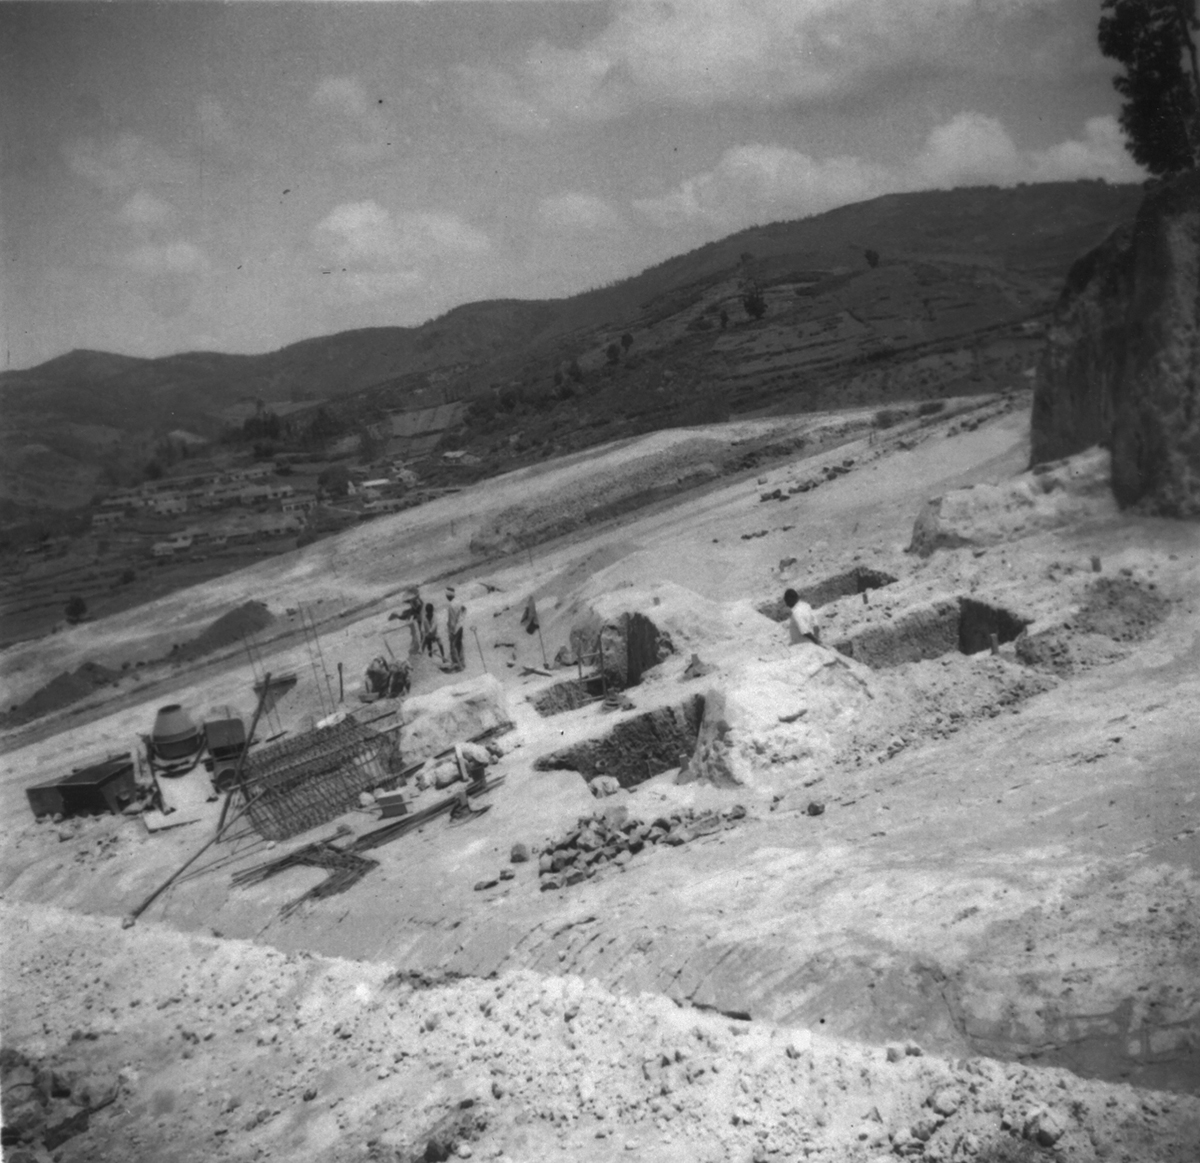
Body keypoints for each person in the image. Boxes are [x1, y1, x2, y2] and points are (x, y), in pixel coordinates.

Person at [446, 586, 466, 671]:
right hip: (461, 625)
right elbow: (464, 609)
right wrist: (461, 619)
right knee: (459, 644)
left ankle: (457, 664)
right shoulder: (458, 601)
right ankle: (462, 662)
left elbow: (452, 621)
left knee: (453, 646)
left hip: (455, 628)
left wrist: (451, 632)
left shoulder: (451, 605)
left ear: (448, 596)